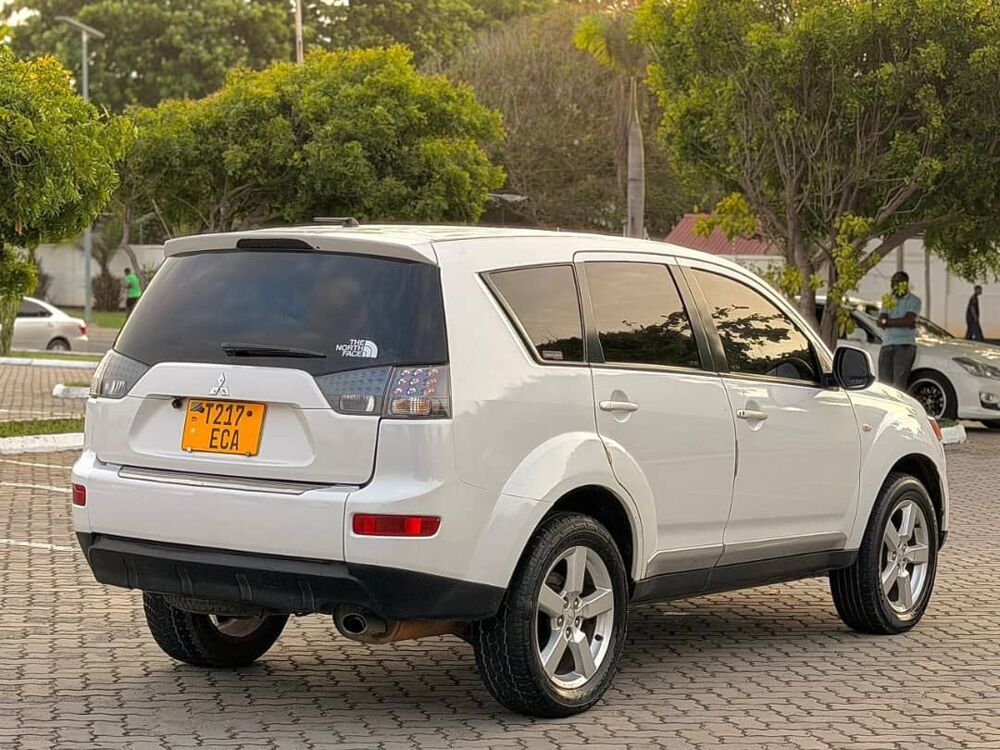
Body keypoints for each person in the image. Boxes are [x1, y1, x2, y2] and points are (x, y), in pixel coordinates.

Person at [877, 271, 920, 390]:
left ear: (905, 284)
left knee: (898, 385)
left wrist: (887, 322)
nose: (894, 285)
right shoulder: (888, 299)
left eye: (898, 282)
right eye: (893, 282)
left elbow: (908, 320)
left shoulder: (914, 300)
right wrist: (900, 322)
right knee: (884, 385)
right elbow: (880, 321)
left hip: (904, 346)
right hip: (887, 344)